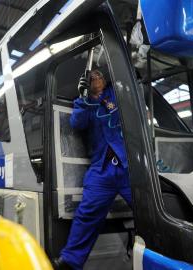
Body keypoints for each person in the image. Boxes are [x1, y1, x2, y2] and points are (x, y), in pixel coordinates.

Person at [54, 70, 132, 270]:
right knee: (87, 213)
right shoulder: (84, 102)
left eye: (99, 74)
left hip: (128, 165)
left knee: (149, 207)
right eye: (92, 75)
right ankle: (70, 261)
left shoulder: (115, 93)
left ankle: (164, 250)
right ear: (88, 82)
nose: (97, 77)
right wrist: (85, 97)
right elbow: (77, 123)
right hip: (101, 168)